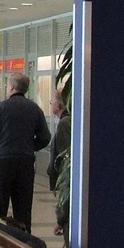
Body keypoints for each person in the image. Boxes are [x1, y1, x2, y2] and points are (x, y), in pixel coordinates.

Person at [0, 73, 52, 232]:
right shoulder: (35, 109)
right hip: (25, 163)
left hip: (2, 163)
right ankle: (24, 242)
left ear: (11, 87)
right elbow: (45, 137)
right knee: (23, 208)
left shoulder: (0, 108)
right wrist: (29, 146)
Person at [47, 95, 71, 237]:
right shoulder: (66, 121)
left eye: (51, 102)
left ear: (59, 105)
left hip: (65, 184)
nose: (50, 105)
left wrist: (60, 219)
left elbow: (65, 161)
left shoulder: (64, 124)